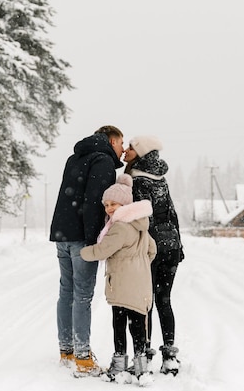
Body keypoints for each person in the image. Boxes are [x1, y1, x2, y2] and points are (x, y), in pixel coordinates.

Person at [49, 125, 125, 376]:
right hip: (82, 236)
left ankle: (67, 351)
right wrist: (95, 240)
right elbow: (94, 202)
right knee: (82, 295)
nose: (123, 150)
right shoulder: (102, 160)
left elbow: (68, 195)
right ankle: (83, 359)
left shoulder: (75, 157)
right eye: (121, 143)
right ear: (111, 140)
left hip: (63, 233)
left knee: (67, 291)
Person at [80, 174, 157, 380]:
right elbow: (152, 250)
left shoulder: (120, 227)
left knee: (120, 324)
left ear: (124, 203)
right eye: (106, 204)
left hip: (123, 283)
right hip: (140, 283)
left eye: (113, 203)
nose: (109, 208)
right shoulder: (140, 224)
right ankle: (141, 366)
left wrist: (82, 253)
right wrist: (138, 265)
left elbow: (102, 251)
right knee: (139, 325)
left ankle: (119, 364)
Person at [124, 135, 184, 376]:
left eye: (131, 147)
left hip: (149, 246)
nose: (127, 150)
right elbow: (171, 212)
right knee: (165, 300)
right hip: (171, 244)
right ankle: (169, 356)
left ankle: (145, 354)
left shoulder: (135, 180)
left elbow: (137, 218)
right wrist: (178, 244)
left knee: (144, 302)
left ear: (140, 152)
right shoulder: (161, 177)